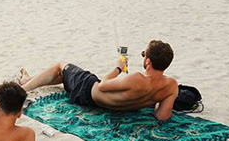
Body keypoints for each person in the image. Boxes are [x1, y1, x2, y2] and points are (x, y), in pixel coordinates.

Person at [18, 40, 179, 121]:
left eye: (144, 54)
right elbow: (162, 116)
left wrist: (118, 68)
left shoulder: (137, 78)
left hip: (89, 92)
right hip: (116, 106)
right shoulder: (171, 86)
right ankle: (32, 79)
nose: (143, 56)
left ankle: (24, 86)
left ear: (148, 62)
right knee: (66, 77)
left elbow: (102, 86)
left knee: (61, 66)